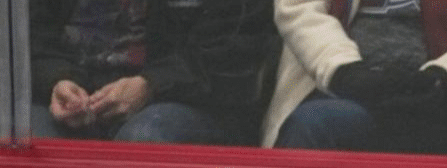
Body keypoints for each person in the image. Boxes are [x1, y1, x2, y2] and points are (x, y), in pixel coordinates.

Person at [264, 0, 447, 153]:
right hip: (342, 90)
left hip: (445, 99)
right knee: (313, 125)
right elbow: (299, 10)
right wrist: (343, 71)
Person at [31, 0, 276, 145]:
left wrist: (151, 85)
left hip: (190, 100)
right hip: (77, 92)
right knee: (22, 138)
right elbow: (27, 35)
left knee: (145, 136)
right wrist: (57, 79)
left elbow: (236, 50)